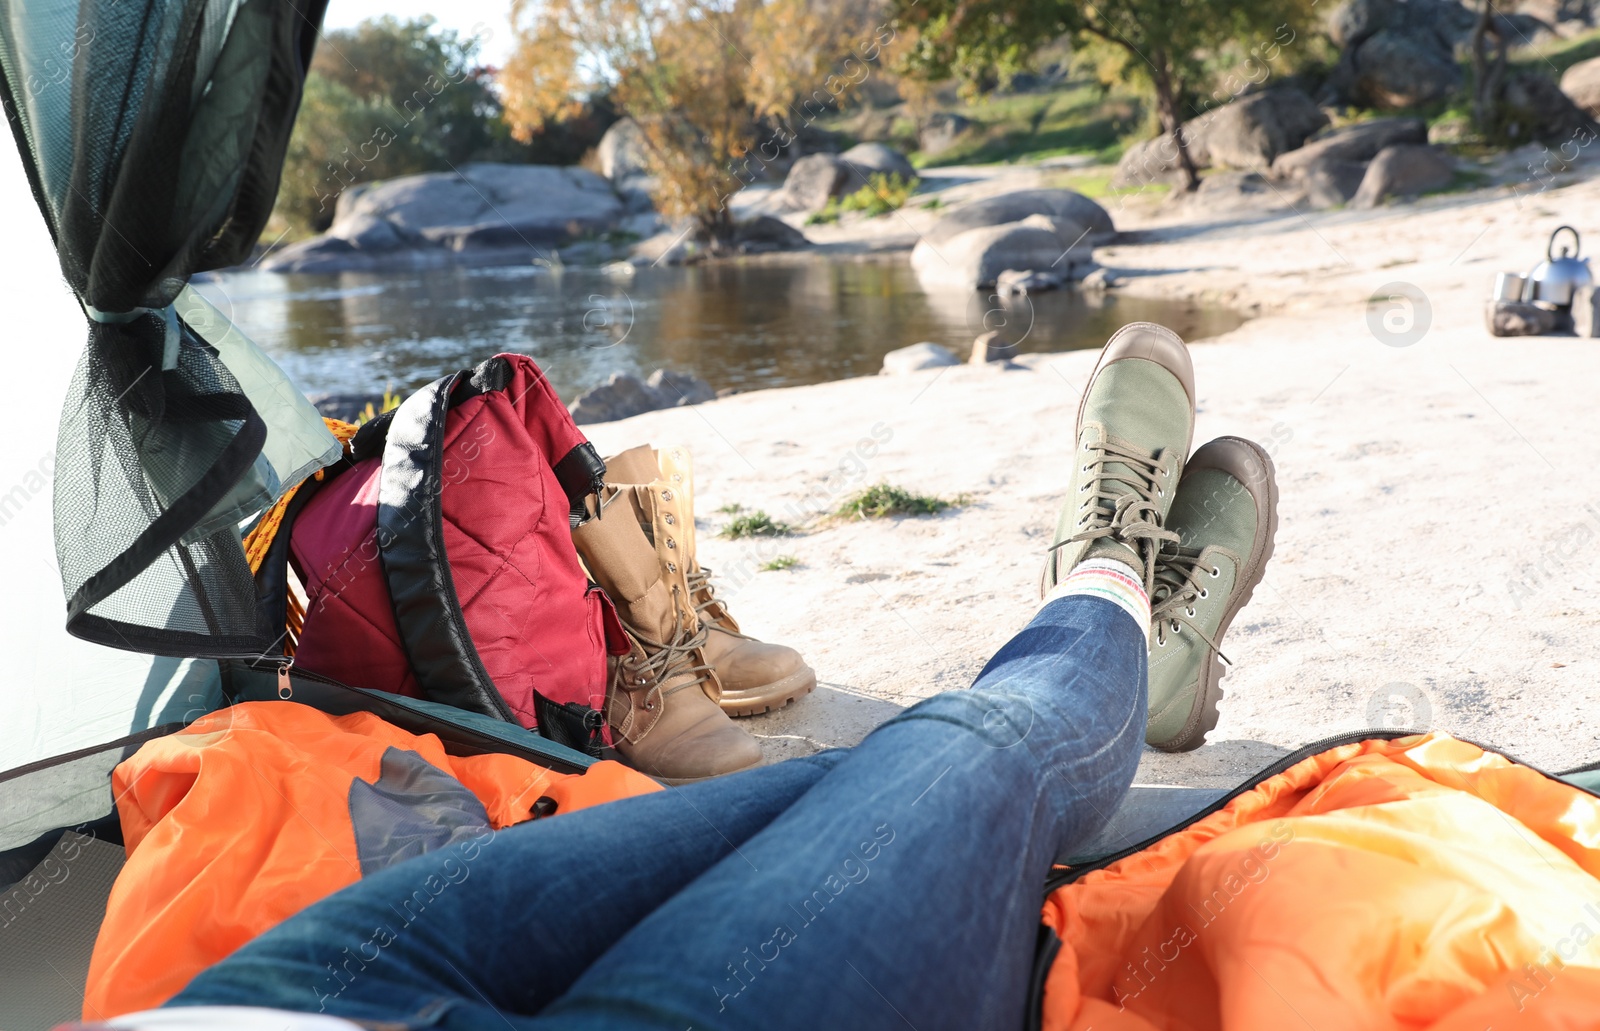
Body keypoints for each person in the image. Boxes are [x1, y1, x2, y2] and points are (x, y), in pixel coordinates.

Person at [70, 323, 1278, 1030]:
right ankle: (1109, 582)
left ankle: (1139, 655)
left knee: (880, 778)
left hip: (282, 997)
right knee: (976, 747)